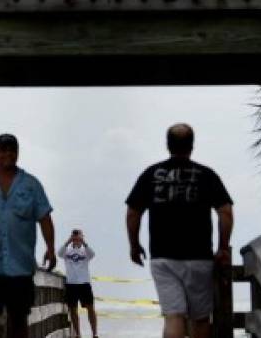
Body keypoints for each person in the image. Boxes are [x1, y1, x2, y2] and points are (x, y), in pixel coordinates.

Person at [125, 124, 234, 338]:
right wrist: (223, 248)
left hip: (163, 257)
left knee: (174, 316)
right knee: (200, 319)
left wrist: (134, 245)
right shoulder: (206, 174)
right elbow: (225, 212)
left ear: (167, 145)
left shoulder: (151, 173)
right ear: (192, 145)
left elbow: (133, 213)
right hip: (199, 257)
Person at [0, 133, 56, 338]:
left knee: (19, 318)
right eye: (3, 150)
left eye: (12, 150)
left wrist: (50, 248)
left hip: (20, 266)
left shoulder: (31, 185)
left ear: (18, 153)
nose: (8, 154)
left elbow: (45, 219)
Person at [60, 228, 98, 338]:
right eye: (74, 236)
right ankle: (78, 334)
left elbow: (92, 254)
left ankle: (94, 333)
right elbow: (59, 253)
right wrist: (68, 241)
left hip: (84, 283)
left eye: (78, 236)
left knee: (90, 308)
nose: (76, 238)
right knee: (73, 309)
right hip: (71, 284)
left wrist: (83, 242)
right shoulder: (67, 251)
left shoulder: (85, 251)